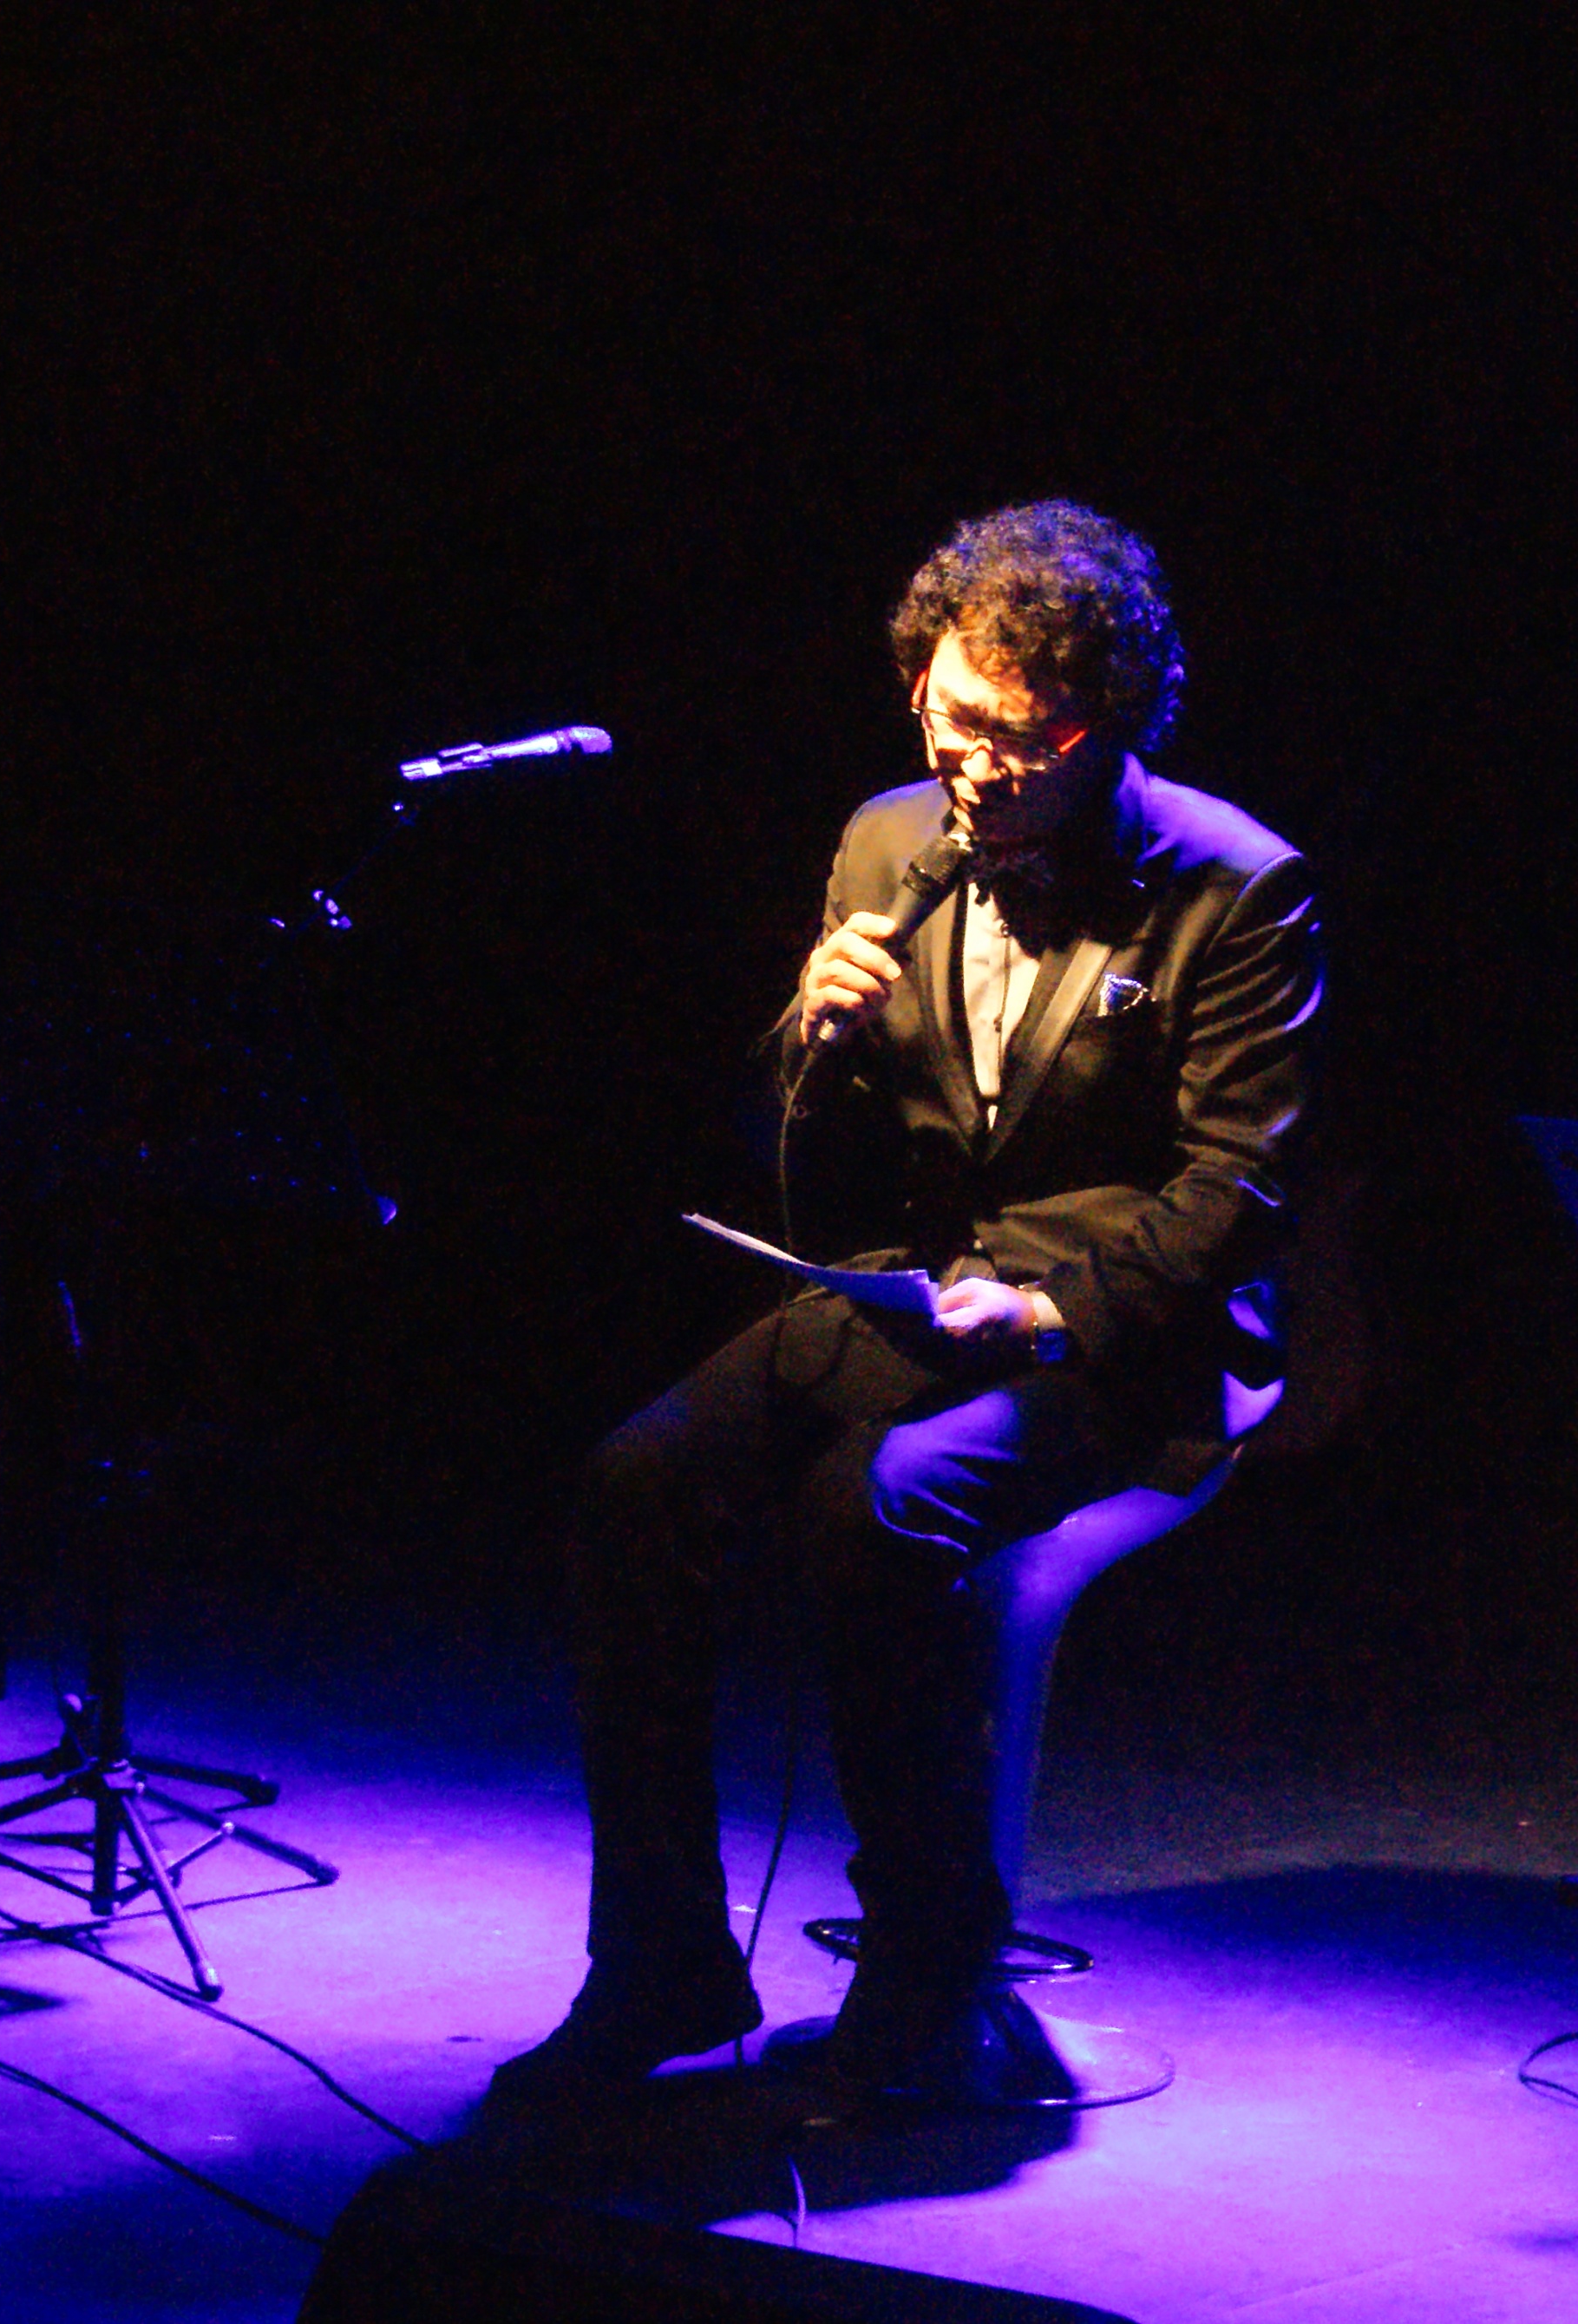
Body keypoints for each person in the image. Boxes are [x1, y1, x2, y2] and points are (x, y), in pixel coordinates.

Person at [491, 501, 1324, 2111]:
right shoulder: (885, 837)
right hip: (919, 1290)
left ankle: (928, 1972)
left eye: (1017, 736)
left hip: (1127, 1337)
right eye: (948, 717)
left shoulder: (1238, 887)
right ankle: (662, 1961)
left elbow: (1239, 1194)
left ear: (1107, 723)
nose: (971, 766)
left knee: (878, 1508)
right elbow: (801, 1152)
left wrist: (1050, 1315)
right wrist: (806, 1040)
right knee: (633, 1486)